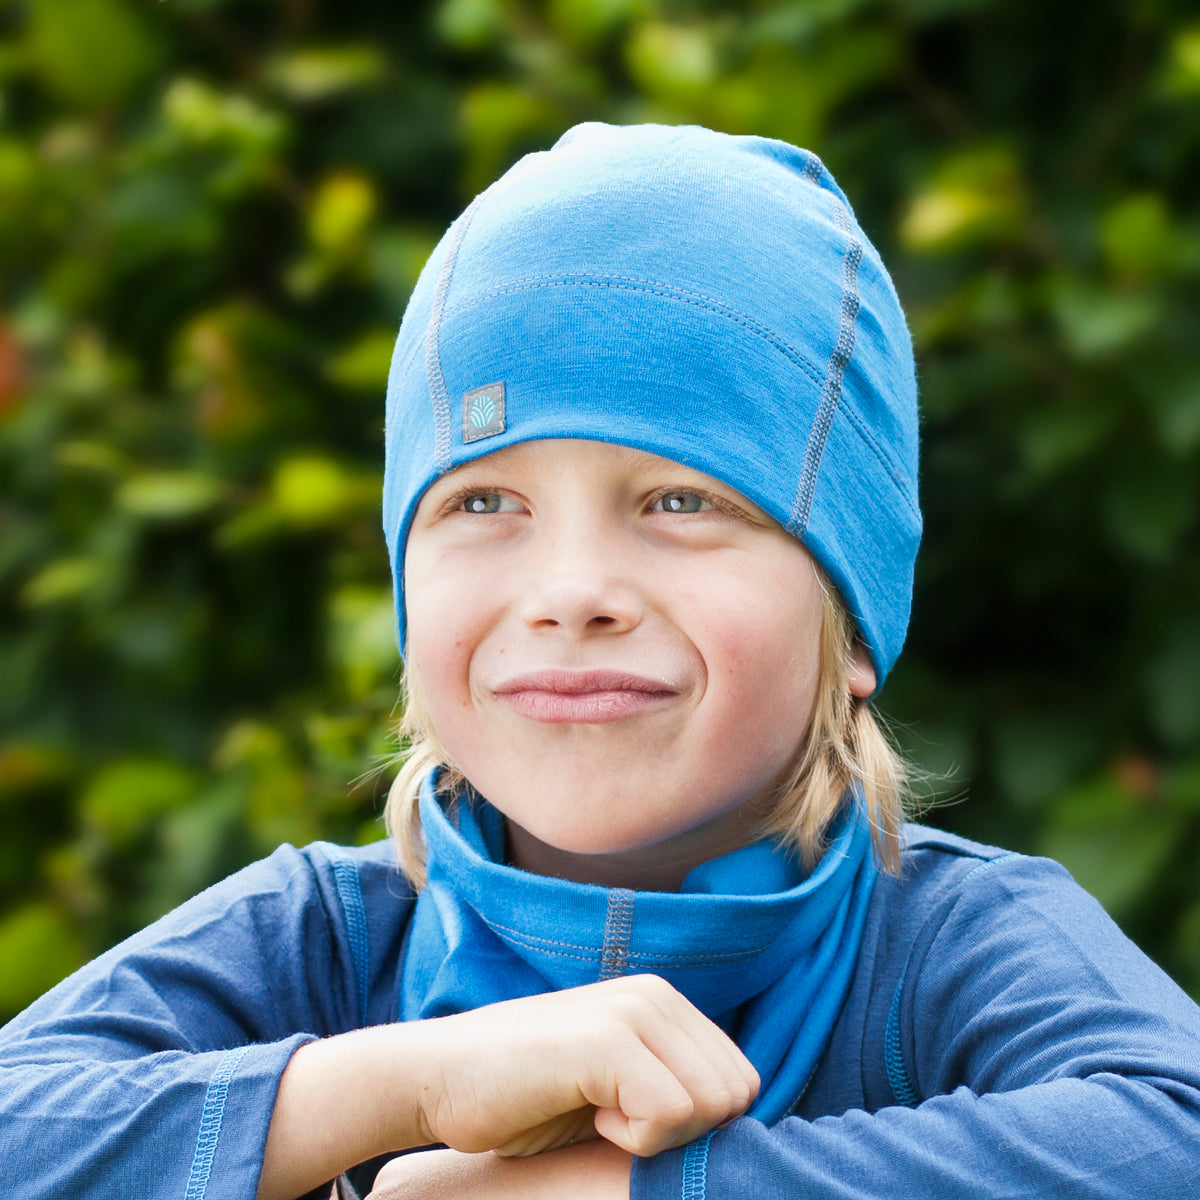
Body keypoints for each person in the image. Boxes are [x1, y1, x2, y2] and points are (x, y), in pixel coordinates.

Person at [2, 122, 1199, 1200]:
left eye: (680, 498)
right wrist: (400, 1089)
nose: (572, 594)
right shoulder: (320, 938)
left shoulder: (947, 943)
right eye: (482, 503)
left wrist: (613, 1196)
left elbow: (1170, 1136)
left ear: (849, 618)